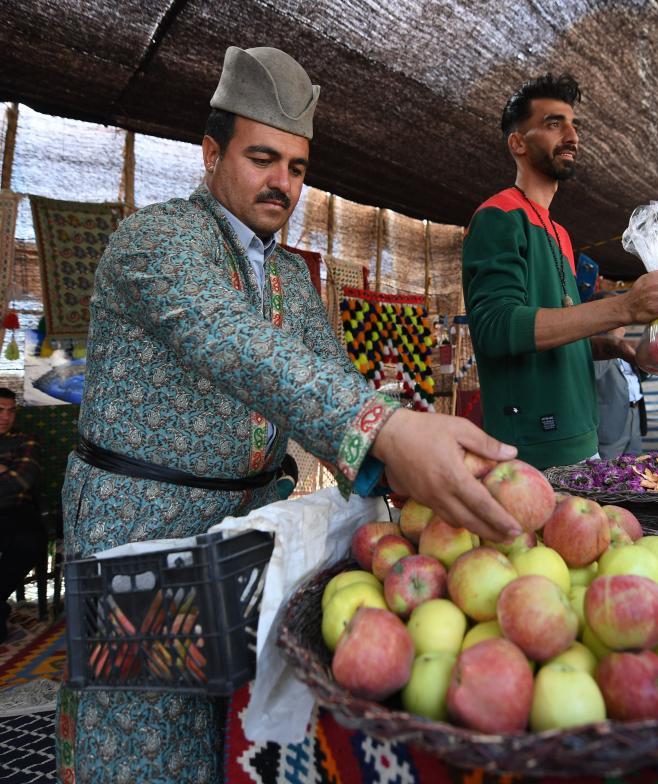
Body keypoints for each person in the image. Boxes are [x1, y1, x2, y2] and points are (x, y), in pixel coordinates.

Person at [57, 47, 521, 784]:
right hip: (141, 531)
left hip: (249, 534)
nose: (282, 183)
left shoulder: (287, 276)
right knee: (147, 742)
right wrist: (390, 432)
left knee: (232, 734)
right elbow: (232, 341)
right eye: (262, 158)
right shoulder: (156, 241)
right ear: (212, 155)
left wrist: (403, 467)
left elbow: (328, 383)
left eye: (297, 168)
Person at [462, 73, 658, 468]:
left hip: (583, 441)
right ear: (518, 143)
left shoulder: (560, 234)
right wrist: (625, 306)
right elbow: (496, 327)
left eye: (575, 125)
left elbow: (555, 330)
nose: (572, 136)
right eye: (554, 123)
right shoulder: (499, 216)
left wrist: (614, 348)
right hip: (531, 456)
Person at [0, 388, 46, 643]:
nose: (6, 417)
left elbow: (24, 479)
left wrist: (8, 474)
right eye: (0, 410)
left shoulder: (26, 440)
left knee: (31, 544)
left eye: (10, 411)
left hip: (17, 510)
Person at [594, 324, 647, 459]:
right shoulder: (595, 345)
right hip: (611, 421)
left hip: (634, 414)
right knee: (608, 472)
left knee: (636, 467)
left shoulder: (626, 344)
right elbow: (595, 373)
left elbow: (634, 378)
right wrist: (612, 340)